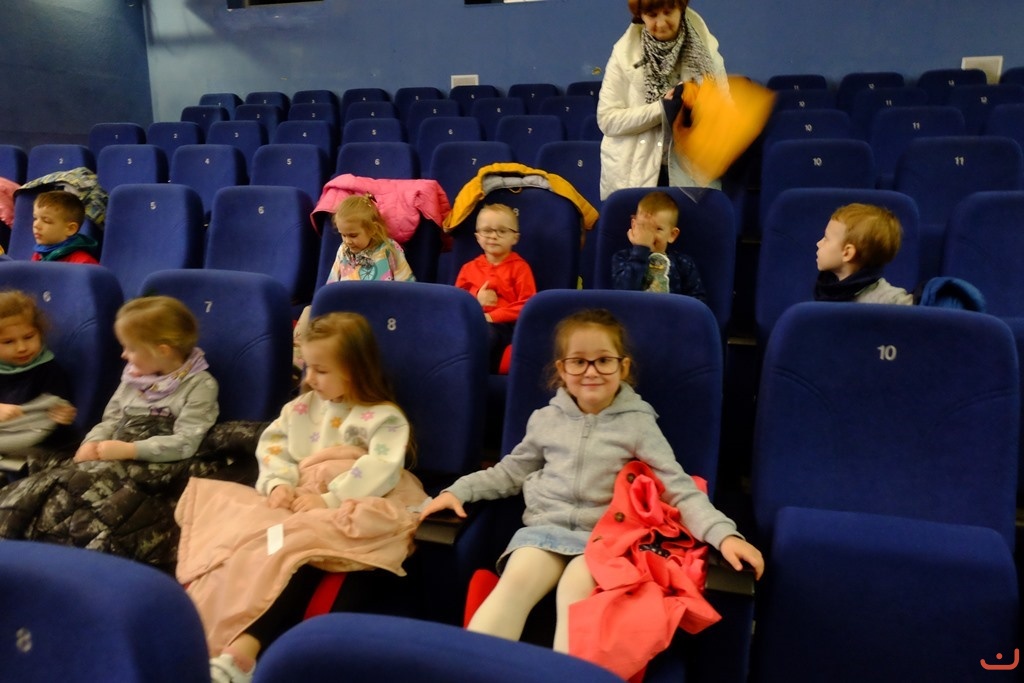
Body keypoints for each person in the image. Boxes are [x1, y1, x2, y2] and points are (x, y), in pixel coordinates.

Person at [419, 308, 763, 659]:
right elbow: (509, 472)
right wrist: (457, 491)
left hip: (603, 541)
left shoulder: (638, 424)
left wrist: (724, 535)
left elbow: (678, 488)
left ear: (623, 368)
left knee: (576, 590)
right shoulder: (546, 420)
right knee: (516, 581)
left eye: (604, 361)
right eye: (579, 362)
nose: (591, 371)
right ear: (562, 370)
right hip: (543, 531)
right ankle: (473, 666)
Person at [178, 312, 425, 683]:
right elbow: (274, 446)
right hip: (298, 497)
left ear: (355, 371)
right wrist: (279, 482)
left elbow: (381, 467)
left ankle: (242, 652)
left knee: (293, 551)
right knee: (246, 545)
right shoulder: (301, 408)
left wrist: (329, 500)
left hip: (355, 502)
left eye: (321, 370)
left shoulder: (383, 417)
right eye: (307, 367)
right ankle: (201, 631)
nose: (309, 378)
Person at [597, 0, 728, 199]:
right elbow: (607, 120)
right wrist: (662, 109)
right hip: (634, 175)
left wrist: (700, 108)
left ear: (681, 9)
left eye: (668, 12)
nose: (661, 23)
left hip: (692, 175)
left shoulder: (707, 52)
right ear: (641, 16)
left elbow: (724, 113)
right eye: (652, 15)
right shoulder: (623, 55)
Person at [73, 295, 219, 463]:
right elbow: (111, 421)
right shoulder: (134, 378)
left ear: (162, 351)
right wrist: (92, 443)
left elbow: (186, 442)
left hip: (160, 464)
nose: (123, 355)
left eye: (131, 349)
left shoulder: (200, 385)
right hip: (116, 454)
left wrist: (131, 450)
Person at [0, 290, 77, 473]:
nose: (21, 348)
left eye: (28, 337)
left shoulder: (48, 369)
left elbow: (57, 410)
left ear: (40, 334)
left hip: (40, 448)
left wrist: (64, 414)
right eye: (8, 342)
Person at [454, 203, 537, 372]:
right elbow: (456, 302)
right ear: (478, 236)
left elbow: (528, 305)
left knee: (486, 335)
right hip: (472, 323)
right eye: (487, 231)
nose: (493, 236)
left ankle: (476, 369)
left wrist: (493, 316)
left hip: (505, 326)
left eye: (502, 231)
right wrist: (477, 298)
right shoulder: (468, 268)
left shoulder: (520, 268)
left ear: (515, 238)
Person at [611, 190, 706, 299]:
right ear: (633, 226)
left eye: (658, 229)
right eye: (643, 226)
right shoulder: (622, 258)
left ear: (672, 235)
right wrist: (641, 250)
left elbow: (698, 301)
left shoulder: (683, 264)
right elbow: (623, 294)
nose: (649, 234)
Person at [814, 203, 914, 305]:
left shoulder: (892, 301)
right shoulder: (827, 290)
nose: (818, 243)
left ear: (847, 253)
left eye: (826, 239)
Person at [325, 193, 415, 283]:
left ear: (372, 229)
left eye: (353, 235)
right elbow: (332, 285)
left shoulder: (389, 249)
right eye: (343, 235)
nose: (347, 241)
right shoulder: (343, 250)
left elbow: (406, 284)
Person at [30, 190, 99, 264]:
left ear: (70, 229)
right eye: (35, 218)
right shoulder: (38, 255)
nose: (36, 225)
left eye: (46, 221)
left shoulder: (83, 263)